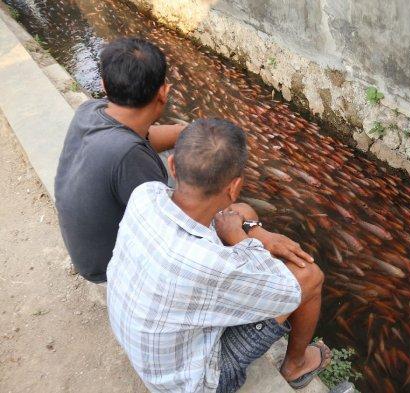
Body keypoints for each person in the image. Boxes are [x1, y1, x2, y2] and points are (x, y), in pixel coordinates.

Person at [107, 118, 330, 392]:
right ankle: (296, 365)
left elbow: (225, 218)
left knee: (244, 212)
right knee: (309, 276)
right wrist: (240, 236)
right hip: (190, 383)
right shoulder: (207, 264)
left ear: (173, 165)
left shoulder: (146, 194)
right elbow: (284, 290)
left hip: (140, 344)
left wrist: (255, 231)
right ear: (234, 186)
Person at [54, 37, 184, 283]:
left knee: (177, 149)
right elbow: (171, 234)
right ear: (163, 93)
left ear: (104, 85)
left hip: (85, 251)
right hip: (106, 267)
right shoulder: (129, 156)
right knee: (197, 179)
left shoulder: (91, 110)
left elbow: (146, 135)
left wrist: (187, 132)